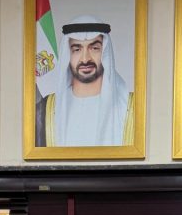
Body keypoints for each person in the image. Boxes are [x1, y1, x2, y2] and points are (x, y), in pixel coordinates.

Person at [35, 15, 134, 147]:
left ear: (105, 53)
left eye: (94, 48)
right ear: (68, 55)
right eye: (77, 49)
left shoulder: (131, 107)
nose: (85, 59)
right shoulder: (44, 111)